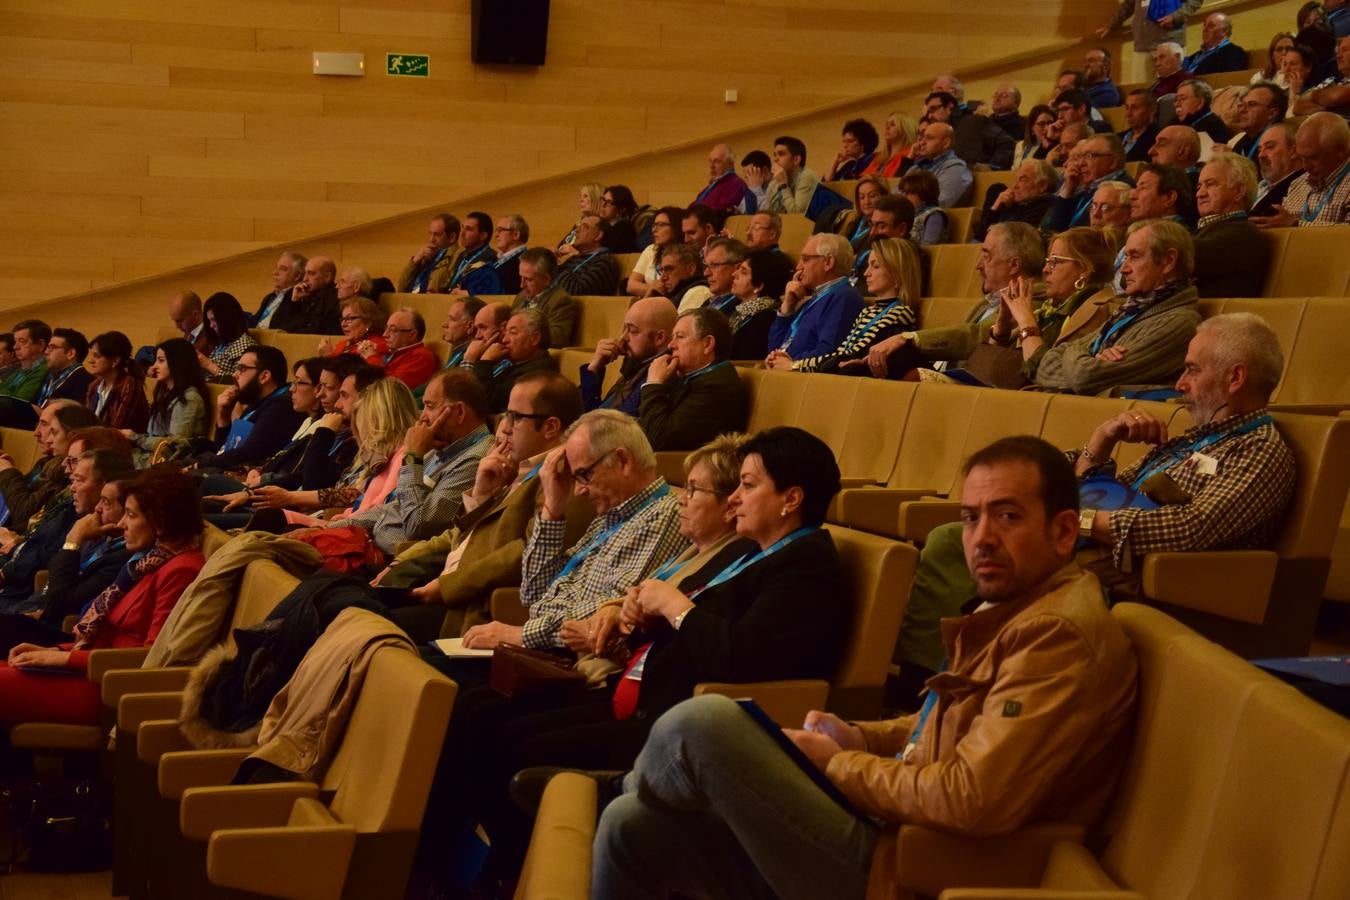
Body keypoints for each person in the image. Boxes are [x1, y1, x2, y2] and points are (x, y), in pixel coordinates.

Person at [588, 435, 1139, 900]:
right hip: (895, 830)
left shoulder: (1056, 634)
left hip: (914, 867)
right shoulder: (1018, 610)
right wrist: (858, 736)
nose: (982, 538)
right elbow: (939, 731)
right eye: (971, 518)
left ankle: (624, 784)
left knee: (703, 723)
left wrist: (838, 765)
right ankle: (629, 792)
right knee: (628, 827)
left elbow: (973, 798)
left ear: (1065, 532)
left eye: (1008, 516)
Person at [458, 428, 851, 886]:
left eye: (748, 485)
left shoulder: (807, 566)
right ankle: (487, 870)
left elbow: (742, 659)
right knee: (489, 718)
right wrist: (641, 616)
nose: (735, 500)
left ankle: (518, 879)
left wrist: (675, 607)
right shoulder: (757, 554)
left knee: (516, 746)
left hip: (676, 725)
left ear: (792, 498)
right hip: (643, 697)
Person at [376, 373, 583, 642]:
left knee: (366, 627)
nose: (505, 428)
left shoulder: (560, 477)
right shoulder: (516, 467)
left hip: (469, 609)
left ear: (550, 427)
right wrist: (482, 494)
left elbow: (523, 552)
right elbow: (462, 538)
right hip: (444, 587)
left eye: (515, 417)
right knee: (340, 602)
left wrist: (446, 586)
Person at [458, 409, 687, 652]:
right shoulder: (610, 516)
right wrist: (553, 510)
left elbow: (604, 617)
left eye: (584, 475)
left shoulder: (663, 516)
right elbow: (532, 593)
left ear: (623, 461)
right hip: (539, 646)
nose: (578, 491)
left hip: (572, 661)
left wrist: (521, 635)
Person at [0, 466, 206, 727]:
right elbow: (108, 636)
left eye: (130, 515)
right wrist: (54, 650)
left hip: (110, 689)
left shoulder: (181, 570)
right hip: (89, 669)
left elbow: (149, 659)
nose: (121, 524)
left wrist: (63, 658)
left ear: (160, 521)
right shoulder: (150, 562)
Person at [1035, 220, 1200, 395]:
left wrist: (1077, 353)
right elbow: (1046, 365)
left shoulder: (1179, 323)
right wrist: (1088, 357)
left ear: (1168, 261)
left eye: (1135, 256)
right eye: (1125, 257)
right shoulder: (1129, 310)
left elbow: (1085, 377)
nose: (1123, 269)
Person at [862, 223, 1045, 380]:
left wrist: (907, 338)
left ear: (1014, 265)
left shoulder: (1032, 303)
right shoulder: (986, 303)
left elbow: (977, 334)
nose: (978, 265)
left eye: (987, 256)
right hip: (954, 378)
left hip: (976, 390)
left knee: (901, 359)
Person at [0, 473, 132, 653]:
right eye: (100, 500)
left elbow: (61, 601)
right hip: (34, 610)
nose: (97, 508)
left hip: (61, 633)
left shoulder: (123, 559)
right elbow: (55, 575)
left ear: (127, 513)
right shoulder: (100, 539)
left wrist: (73, 540)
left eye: (106, 503)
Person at [0, 442, 132, 614]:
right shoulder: (83, 521)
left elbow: (59, 599)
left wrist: (73, 541)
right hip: (23, 607)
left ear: (103, 486)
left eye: (79, 480)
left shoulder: (114, 549)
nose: (72, 487)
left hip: (35, 616)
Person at [977, 227, 1118, 386]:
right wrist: (1000, 331)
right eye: (1047, 262)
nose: (1045, 270)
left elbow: (1048, 372)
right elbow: (983, 370)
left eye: (1055, 262)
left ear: (1084, 270)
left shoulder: (1098, 311)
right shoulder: (1049, 309)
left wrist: (1026, 321)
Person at [777, 238, 920, 375]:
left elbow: (850, 357)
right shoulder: (869, 311)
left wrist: (795, 365)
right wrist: (793, 364)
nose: (866, 273)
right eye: (868, 265)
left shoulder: (900, 312)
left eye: (875, 266)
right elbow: (841, 354)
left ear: (896, 274)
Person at [639, 308, 748, 452]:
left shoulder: (717, 389)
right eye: (673, 337)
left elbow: (658, 440)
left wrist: (654, 384)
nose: (671, 345)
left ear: (707, 344)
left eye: (680, 337)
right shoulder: (688, 376)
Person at [198, 344, 305, 471]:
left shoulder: (282, 406)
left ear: (264, 376)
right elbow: (224, 449)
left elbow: (248, 453)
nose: (235, 375)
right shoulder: (260, 401)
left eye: (242, 369)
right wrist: (223, 416)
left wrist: (200, 464)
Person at [766, 234, 865, 362]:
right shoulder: (812, 298)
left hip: (805, 377)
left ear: (828, 262)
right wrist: (786, 308)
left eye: (805, 259)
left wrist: (791, 363)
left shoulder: (845, 297)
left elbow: (828, 351)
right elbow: (773, 347)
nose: (798, 267)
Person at [580, 297, 676, 416]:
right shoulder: (638, 365)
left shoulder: (658, 377)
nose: (623, 338)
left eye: (632, 330)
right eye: (624, 329)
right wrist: (594, 368)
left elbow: (606, 425)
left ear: (660, 338)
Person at [1252, 111, 1350, 226]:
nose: (1306, 166)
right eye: (1302, 158)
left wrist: (1296, 225)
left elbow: (1346, 235)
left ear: (1341, 150)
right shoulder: (1297, 184)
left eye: (1313, 157)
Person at [1193, 155, 1271, 298]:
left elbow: (1189, 256)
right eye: (1199, 186)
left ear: (1238, 191)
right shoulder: (1205, 229)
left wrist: (1154, 236)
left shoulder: (1245, 234)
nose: (1200, 193)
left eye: (1210, 184)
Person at [127, 338, 209, 466]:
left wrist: (136, 437)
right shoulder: (165, 393)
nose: (154, 367)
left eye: (161, 361)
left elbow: (173, 445)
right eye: (155, 361)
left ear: (178, 363)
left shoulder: (189, 398)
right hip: (149, 456)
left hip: (165, 464)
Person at [465, 309, 560, 412]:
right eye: (505, 333)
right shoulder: (513, 361)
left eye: (513, 333)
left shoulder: (539, 371)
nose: (505, 340)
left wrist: (486, 361)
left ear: (535, 338)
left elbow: (485, 402)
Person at [1048, 133, 1131, 230]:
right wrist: (1068, 190)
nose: (1081, 163)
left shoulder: (1121, 191)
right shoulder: (1086, 188)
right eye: (1080, 157)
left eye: (1089, 156)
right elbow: (1055, 228)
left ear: (1112, 162)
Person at [722, 249, 791, 360]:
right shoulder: (738, 311)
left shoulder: (766, 319)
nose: (734, 274)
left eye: (743, 272)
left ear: (758, 286)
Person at [924, 91, 1015, 170]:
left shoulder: (973, 122)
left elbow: (1007, 143)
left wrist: (991, 167)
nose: (929, 116)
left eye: (933, 109)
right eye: (928, 112)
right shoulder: (940, 134)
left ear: (949, 107)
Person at [976, 159, 1058, 240]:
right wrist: (995, 207)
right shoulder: (1015, 205)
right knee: (996, 188)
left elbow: (1016, 238)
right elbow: (980, 236)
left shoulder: (1045, 203)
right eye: (1016, 180)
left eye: (1023, 179)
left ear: (1042, 186)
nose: (1015, 186)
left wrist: (996, 229)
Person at [85, 331, 149, 432]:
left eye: (97, 356)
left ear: (115, 361)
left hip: (122, 444)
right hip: (96, 441)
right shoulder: (94, 385)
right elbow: (86, 422)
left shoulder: (129, 385)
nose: (91, 361)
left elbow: (117, 430)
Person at [513, 247, 578, 347]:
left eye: (529, 280)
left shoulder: (560, 301)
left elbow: (557, 339)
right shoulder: (521, 296)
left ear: (546, 279)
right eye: (521, 277)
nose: (522, 285)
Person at [267, 255, 342, 335]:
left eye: (311, 274)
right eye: (305, 273)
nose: (305, 279)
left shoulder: (335, 298)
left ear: (327, 277)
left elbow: (314, 331)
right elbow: (275, 328)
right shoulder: (301, 294)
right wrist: (294, 301)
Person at [458, 214, 529, 296]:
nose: (496, 235)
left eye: (500, 230)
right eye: (496, 230)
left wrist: (469, 293)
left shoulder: (523, 261)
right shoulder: (498, 259)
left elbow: (503, 292)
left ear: (515, 235)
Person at [909, 122, 974, 207]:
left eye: (929, 138)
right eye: (922, 138)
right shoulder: (916, 167)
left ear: (945, 143)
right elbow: (895, 194)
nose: (921, 143)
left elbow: (940, 203)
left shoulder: (956, 168)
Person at [555, 215, 621, 297]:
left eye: (585, 227)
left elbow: (575, 292)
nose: (576, 230)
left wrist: (560, 264)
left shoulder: (605, 262)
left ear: (598, 236)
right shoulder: (573, 256)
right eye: (578, 226)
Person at [199, 292, 258, 382]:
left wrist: (208, 365)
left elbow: (240, 382)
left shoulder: (246, 345)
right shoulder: (221, 343)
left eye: (213, 320)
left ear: (226, 318)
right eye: (209, 321)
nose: (211, 325)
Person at [626, 206, 684, 298]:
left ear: (676, 226)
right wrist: (651, 288)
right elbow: (631, 285)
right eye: (654, 225)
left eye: (661, 225)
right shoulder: (651, 250)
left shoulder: (686, 253)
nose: (654, 230)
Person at [398, 214, 461, 294]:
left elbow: (437, 288)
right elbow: (401, 288)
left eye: (437, 235)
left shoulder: (458, 258)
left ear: (452, 237)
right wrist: (415, 262)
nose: (431, 239)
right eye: (430, 234)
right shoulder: (427, 255)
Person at [380, 307, 440, 390]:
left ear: (412, 335)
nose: (385, 334)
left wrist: (371, 358)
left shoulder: (422, 357)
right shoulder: (390, 350)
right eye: (386, 328)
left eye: (393, 330)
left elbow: (390, 387)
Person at [1251, 121, 1303, 217]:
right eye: (1259, 150)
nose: (1261, 155)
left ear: (1294, 151)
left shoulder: (1301, 187)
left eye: (1270, 147)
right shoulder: (1260, 186)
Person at [1226, 82, 1288, 161]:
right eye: (1241, 105)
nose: (1242, 110)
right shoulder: (1243, 140)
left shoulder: (1279, 142)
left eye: (1252, 104)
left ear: (1272, 113)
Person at [319, 296, 388, 366]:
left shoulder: (376, 345)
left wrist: (328, 356)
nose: (343, 324)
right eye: (342, 319)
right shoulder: (343, 344)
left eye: (349, 319)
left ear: (368, 322)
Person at [762, 136, 820, 215]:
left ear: (796, 160)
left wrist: (783, 185)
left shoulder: (807, 176)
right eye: (775, 155)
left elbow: (797, 214)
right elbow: (766, 215)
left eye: (781, 154)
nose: (775, 159)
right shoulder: (774, 183)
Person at [694, 144, 754, 214]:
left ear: (730, 164)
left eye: (717, 161)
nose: (711, 166)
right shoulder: (713, 185)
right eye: (710, 161)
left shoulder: (736, 184)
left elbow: (719, 210)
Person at [445, 211, 497, 292]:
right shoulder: (462, 255)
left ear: (483, 235)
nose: (462, 233)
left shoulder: (489, 258)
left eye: (469, 229)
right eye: (463, 227)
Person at [1129, 162, 1195, 224]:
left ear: (1169, 197)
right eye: (1136, 188)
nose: (1132, 196)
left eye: (1143, 188)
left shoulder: (1174, 235)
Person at [1184, 12, 1249, 74]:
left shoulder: (1234, 53)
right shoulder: (1195, 56)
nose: (1205, 29)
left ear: (1224, 31)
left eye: (1211, 26)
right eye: (1204, 25)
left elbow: (1228, 80)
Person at [253, 251, 305, 327]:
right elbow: (253, 324)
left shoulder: (299, 299)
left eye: (283, 269)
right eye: (276, 267)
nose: (275, 272)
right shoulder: (269, 297)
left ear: (297, 275)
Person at [897, 170, 949, 245]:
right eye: (903, 192)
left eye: (908, 193)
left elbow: (929, 246)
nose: (903, 197)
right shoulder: (907, 214)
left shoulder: (934, 215)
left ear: (924, 194)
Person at [859, 112, 918, 178]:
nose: (887, 127)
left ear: (905, 130)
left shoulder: (909, 156)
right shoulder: (879, 158)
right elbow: (862, 178)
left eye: (893, 124)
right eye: (886, 124)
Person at [435, 296, 483, 374]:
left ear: (470, 326)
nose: (444, 324)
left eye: (452, 319)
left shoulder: (473, 358)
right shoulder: (458, 351)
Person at [657, 243, 711, 312]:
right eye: (662, 270)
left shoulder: (698, 292)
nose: (662, 278)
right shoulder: (673, 294)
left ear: (690, 269)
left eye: (669, 269)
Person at [558, 183, 605, 248]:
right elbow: (562, 245)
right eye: (580, 196)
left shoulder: (603, 225)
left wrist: (576, 253)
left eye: (585, 196)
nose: (581, 200)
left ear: (597, 198)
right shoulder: (580, 222)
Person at [1119, 89, 1161, 162]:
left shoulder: (1157, 138)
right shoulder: (1118, 137)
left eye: (1135, 108)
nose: (1128, 114)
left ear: (1152, 110)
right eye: (1127, 108)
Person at [168, 289, 213, 355]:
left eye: (180, 320)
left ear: (195, 315)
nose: (176, 326)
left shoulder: (210, 337)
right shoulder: (190, 330)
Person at [598, 187, 640, 254]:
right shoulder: (604, 226)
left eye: (608, 202)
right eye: (603, 200)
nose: (603, 205)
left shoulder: (625, 227)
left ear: (621, 209)